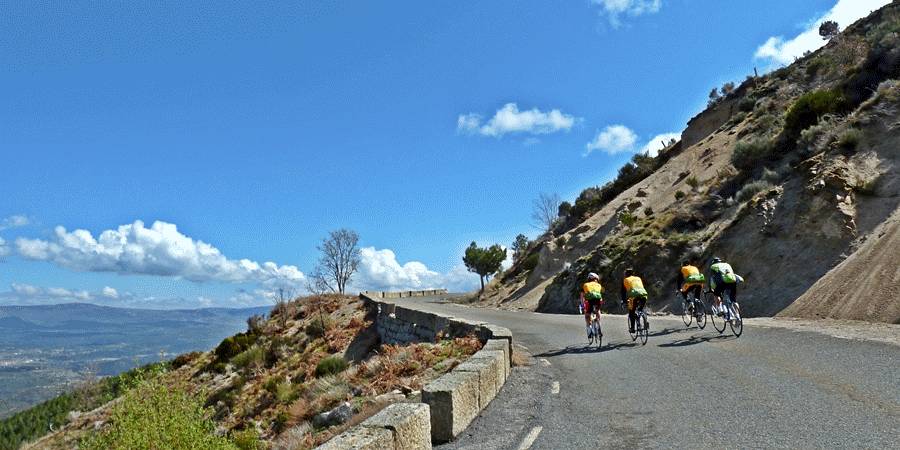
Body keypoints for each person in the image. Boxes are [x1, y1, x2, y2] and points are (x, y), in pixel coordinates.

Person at [620, 268, 649, 333]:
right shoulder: (638, 278)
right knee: (641, 309)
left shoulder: (625, 280)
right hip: (644, 295)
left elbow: (623, 292)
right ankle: (645, 321)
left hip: (634, 296)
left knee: (631, 312)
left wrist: (624, 301)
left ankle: (632, 328)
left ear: (626, 274)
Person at [581, 272, 604, 339]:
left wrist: (582, 305)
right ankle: (598, 323)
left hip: (589, 301)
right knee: (598, 310)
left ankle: (590, 328)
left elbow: (582, 296)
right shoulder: (598, 285)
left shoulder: (585, 285)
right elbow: (600, 294)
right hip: (598, 300)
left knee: (587, 315)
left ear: (588, 278)